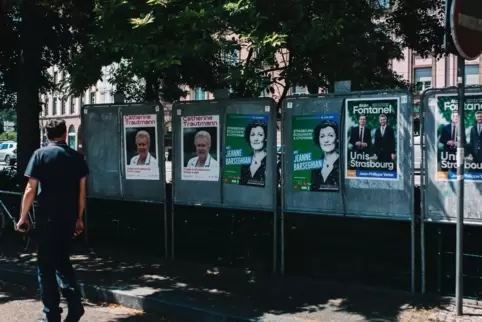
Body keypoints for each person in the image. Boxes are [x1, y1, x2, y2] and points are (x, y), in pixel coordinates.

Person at [17, 119, 89, 322]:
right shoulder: (77, 157)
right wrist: (79, 218)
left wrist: (23, 217)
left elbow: (31, 189)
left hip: (46, 218)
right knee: (63, 261)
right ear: (65, 134)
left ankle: (51, 315)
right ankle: (75, 305)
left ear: (46, 135)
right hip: (68, 218)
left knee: (45, 266)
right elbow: (82, 194)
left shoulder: (40, 155)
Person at [311, 120, 340, 191]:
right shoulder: (316, 166)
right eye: (322, 136)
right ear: (318, 140)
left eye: (330, 135)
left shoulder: (343, 163)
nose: (326, 140)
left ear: (337, 139)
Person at [240, 120, 267, 186]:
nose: (256, 139)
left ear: (266, 138)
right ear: (249, 138)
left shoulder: (270, 160)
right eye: (252, 135)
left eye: (260, 135)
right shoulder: (245, 162)